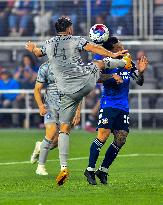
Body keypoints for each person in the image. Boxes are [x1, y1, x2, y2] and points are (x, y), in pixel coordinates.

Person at [25, 17, 132, 185]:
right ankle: (123, 63)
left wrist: (32, 48)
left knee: (64, 130)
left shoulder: (49, 43)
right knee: (100, 63)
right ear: (69, 29)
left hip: (65, 91)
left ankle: (64, 167)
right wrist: (113, 54)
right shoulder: (75, 40)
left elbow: (38, 53)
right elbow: (94, 47)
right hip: (83, 81)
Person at [84, 37, 149, 185]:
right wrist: (111, 77)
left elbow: (139, 81)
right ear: (112, 50)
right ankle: (89, 169)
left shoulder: (128, 62)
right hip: (108, 104)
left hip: (123, 106)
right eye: (119, 47)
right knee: (103, 135)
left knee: (121, 138)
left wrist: (142, 72)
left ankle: (103, 170)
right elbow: (93, 77)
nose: (122, 48)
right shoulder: (105, 61)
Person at [30, 62, 81, 177]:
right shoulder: (45, 67)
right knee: (51, 131)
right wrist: (40, 105)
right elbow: (37, 89)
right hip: (50, 106)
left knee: (57, 141)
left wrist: (78, 111)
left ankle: (40, 146)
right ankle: (41, 167)